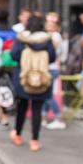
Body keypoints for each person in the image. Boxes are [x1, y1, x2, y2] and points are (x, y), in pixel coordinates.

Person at [9, 15, 56, 152]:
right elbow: (52, 57)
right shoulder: (47, 39)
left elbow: (14, 55)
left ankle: (17, 135)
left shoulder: (22, 38)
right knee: (37, 110)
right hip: (42, 78)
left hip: (23, 78)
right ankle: (34, 141)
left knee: (22, 108)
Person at [41, 12, 66, 130]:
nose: (47, 25)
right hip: (51, 68)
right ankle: (44, 118)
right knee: (46, 95)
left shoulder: (54, 36)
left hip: (51, 68)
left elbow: (51, 52)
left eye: (50, 24)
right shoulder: (54, 35)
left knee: (47, 96)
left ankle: (58, 118)